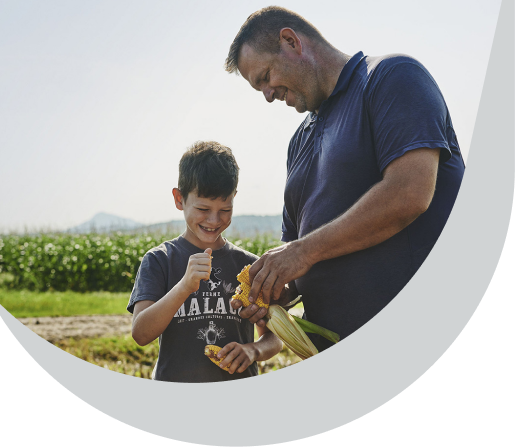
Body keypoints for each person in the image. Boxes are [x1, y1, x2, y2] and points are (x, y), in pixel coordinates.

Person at [224, 6, 465, 352]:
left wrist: (302, 253)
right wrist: (273, 290)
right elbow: (299, 259)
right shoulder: (298, 142)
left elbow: (409, 193)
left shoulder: (392, 77)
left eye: (265, 76)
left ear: (291, 41)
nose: (267, 95)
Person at [127, 141, 282, 382]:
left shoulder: (250, 266)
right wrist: (184, 287)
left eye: (225, 209)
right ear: (179, 199)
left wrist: (253, 350)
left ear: (234, 199)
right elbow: (140, 333)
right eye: (203, 208)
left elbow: (274, 337)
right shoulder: (159, 260)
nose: (213, 220)